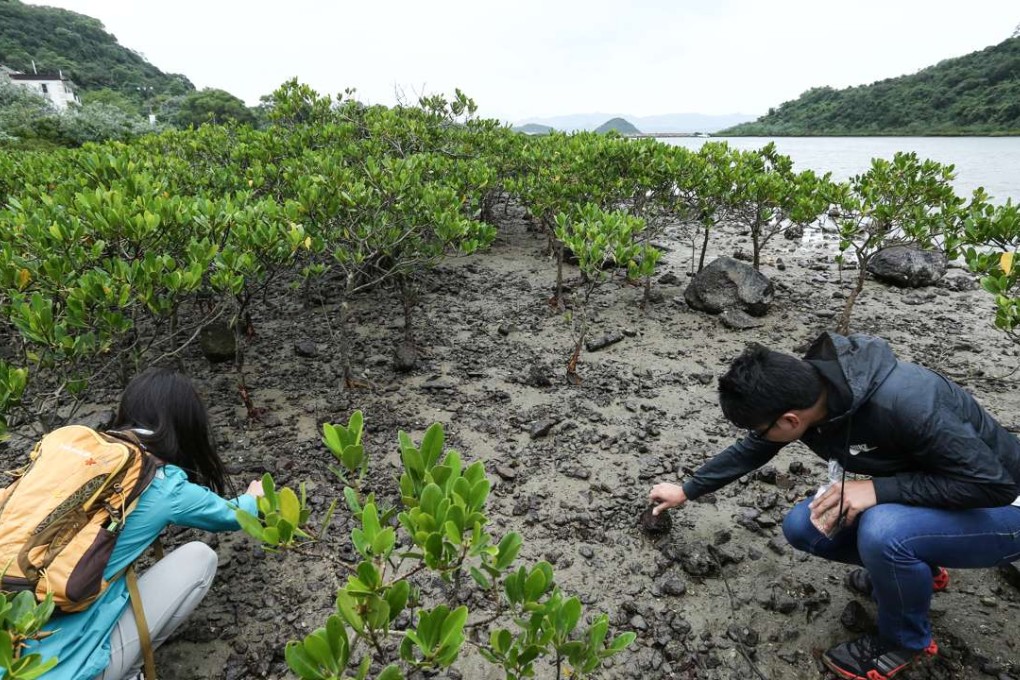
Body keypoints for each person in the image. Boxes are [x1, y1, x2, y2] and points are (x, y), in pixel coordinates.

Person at [648, 332, 1020, 680]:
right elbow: (756, 448)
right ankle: (917, 572)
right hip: (942, 493)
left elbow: (992, 485)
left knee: (884, 533)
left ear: (789, 420)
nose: (759, 437)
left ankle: (906, 642)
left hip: (1006, 509)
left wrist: (877, 489)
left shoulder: (906, 404)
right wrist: (688, 489)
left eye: (761, 428)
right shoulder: (818, 394)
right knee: (805, 526)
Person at [9, 367, 264, 680]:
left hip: (8, 642)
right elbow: (234, 515)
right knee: (200, 557)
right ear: (185, 425)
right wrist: (257, 497)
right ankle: (128, 672)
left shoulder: (71, 455)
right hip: (64, 670)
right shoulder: (162, 482)